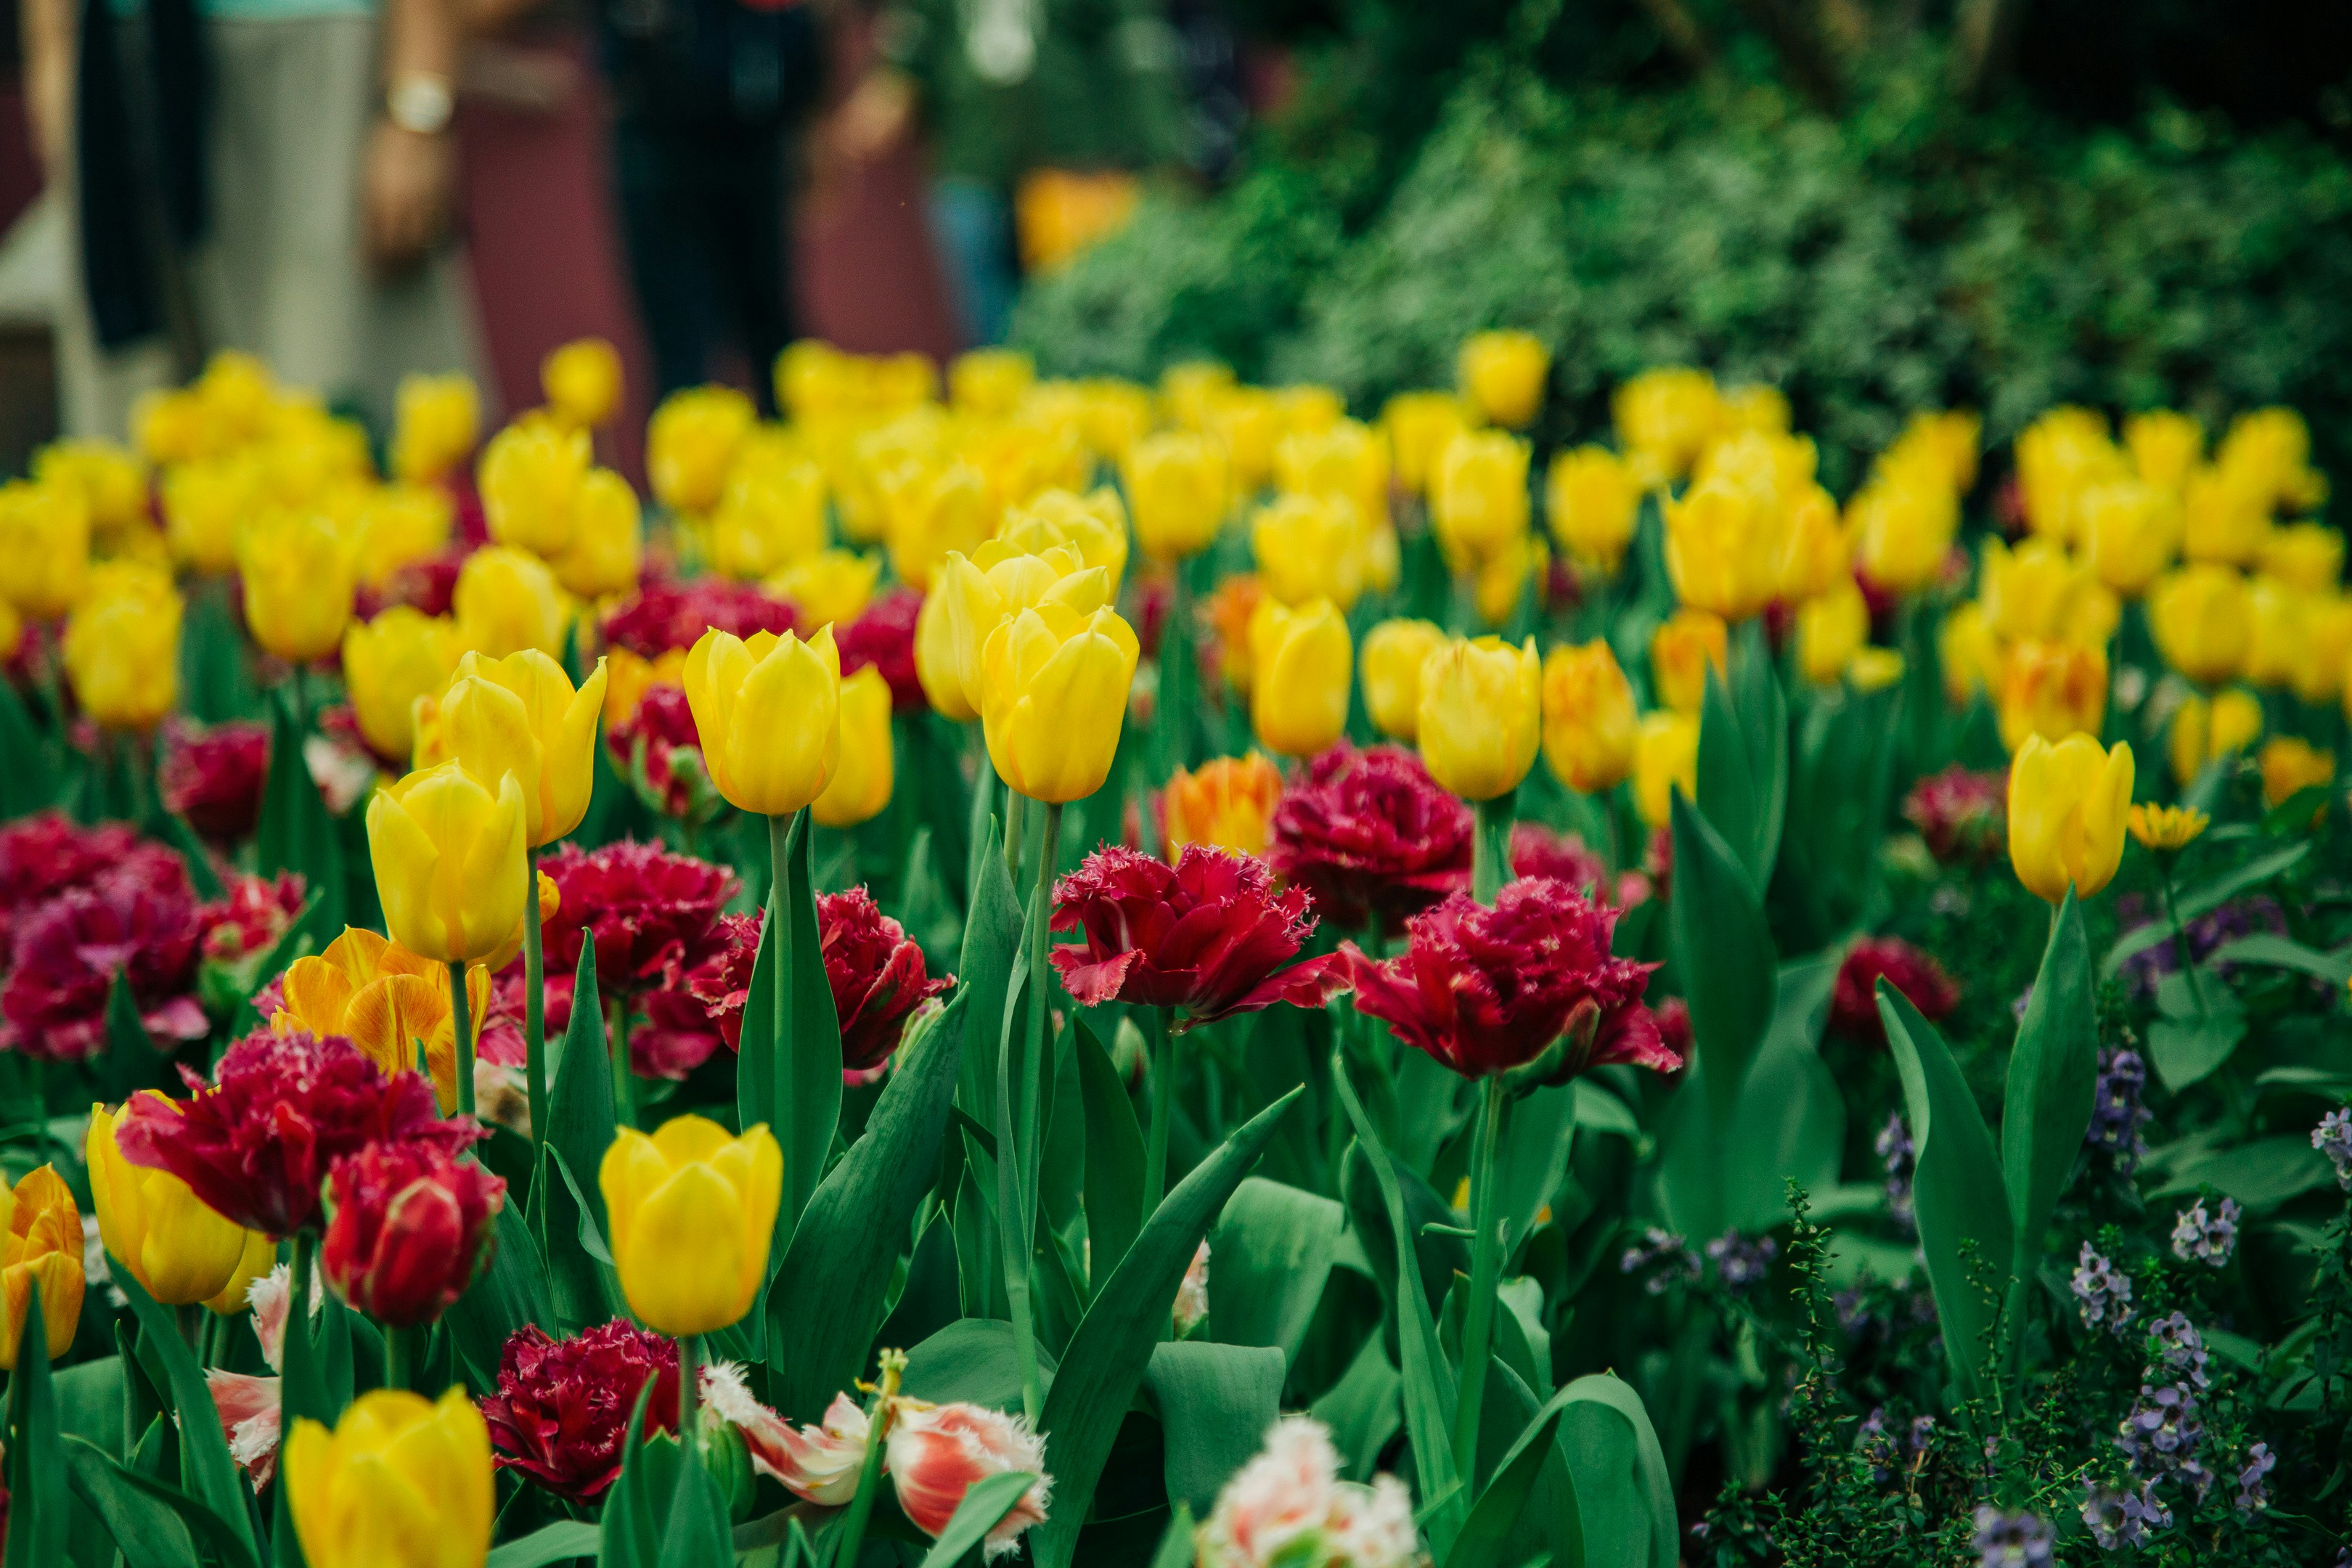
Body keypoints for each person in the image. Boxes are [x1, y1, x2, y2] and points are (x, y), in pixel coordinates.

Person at [21, 0, 489, 436]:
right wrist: (51, 47)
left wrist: (417, 107)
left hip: (316, 55)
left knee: (338, 407)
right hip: (118, 57)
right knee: (138, 421)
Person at [834, 0, 1184, 348]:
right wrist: (885, 92)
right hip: (969, 158)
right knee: (989, 331)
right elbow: (914, 36)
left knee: (1076, 326)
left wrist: (1159, 153)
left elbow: (1132, 46)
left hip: (1068, 163)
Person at [595, 0, 825, 417]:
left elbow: (805, 33)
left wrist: (809, 129)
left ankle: (795, 465)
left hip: (752, 139)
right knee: (681, 346)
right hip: (660, 145)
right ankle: (696, 463)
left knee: (773, 332)